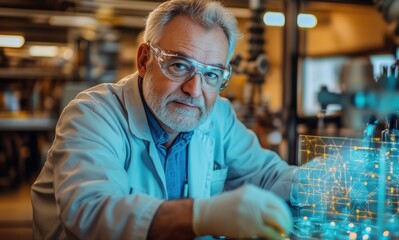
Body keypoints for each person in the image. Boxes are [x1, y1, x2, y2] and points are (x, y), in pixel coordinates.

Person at [31, 0, 299, 239]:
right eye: (179, 65)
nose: (194, 90)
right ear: (144, 60)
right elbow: (89, 212)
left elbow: (268, 175)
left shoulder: (219, 115)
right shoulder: (92, 115)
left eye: (212, 75)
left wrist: (322, 180)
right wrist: (200, 216)